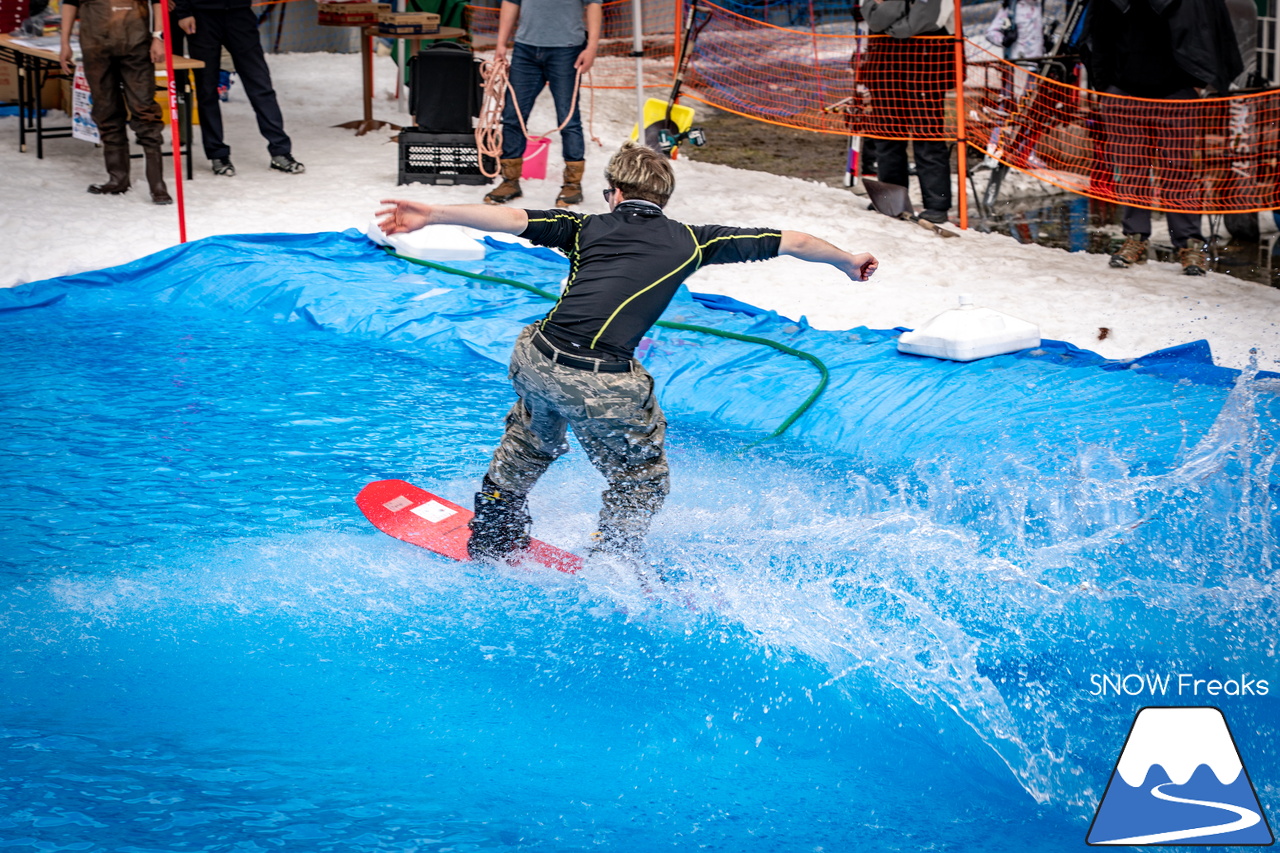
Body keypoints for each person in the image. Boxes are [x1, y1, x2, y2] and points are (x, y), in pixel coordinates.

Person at [378, 142, 878, 570]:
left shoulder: (585, 227)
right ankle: (613, 560)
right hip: (601, 379)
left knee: (532, 437)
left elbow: (511, 218)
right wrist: (847, 260)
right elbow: (795, 241)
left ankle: (495, 526)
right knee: (640, 477)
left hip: (534, 357)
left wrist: (434, 213)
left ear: (615, 193)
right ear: (663, 198)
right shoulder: (693, 242)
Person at [1083, 0, 1242, 275]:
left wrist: (1200, 82)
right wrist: (1105, 87)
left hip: (1176, 95)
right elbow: (1098, 36)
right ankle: (1135, 238)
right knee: (1132, 172)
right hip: (1124, 96)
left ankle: (1189, 245)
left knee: (1178, 172)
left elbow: (1212, 29)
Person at [483, 0, 601, 208]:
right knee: (512, 116)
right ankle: (510, 181)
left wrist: (591, 47)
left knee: (568, 119)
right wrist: (501, 43)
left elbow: (593, 5)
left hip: (568, 50)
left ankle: (573, 185)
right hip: (525, 49)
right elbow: (511, 2)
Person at [59, 0, 172, 204]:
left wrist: (158, 37)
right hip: (95, 46)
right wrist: (64, 42)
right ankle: (118, 178)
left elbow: (159, 2)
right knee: (105, 110)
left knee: (145, 110)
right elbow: (70, 2)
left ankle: (157, 183)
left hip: (136, 45)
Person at [173, 0, 303, 177]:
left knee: (260, 84)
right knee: (207, 90)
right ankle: (217, 154)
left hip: (239, 13)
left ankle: (280, 151)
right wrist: (184, 12)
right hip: (201, 16)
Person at [860, 0, 956, 224]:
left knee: (928, 138)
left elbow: (924, 20)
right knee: (887, 136)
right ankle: (891, 200)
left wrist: (890, 18)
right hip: (885, 68)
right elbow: (874, 20)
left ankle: (937, 205)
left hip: (927, 66)